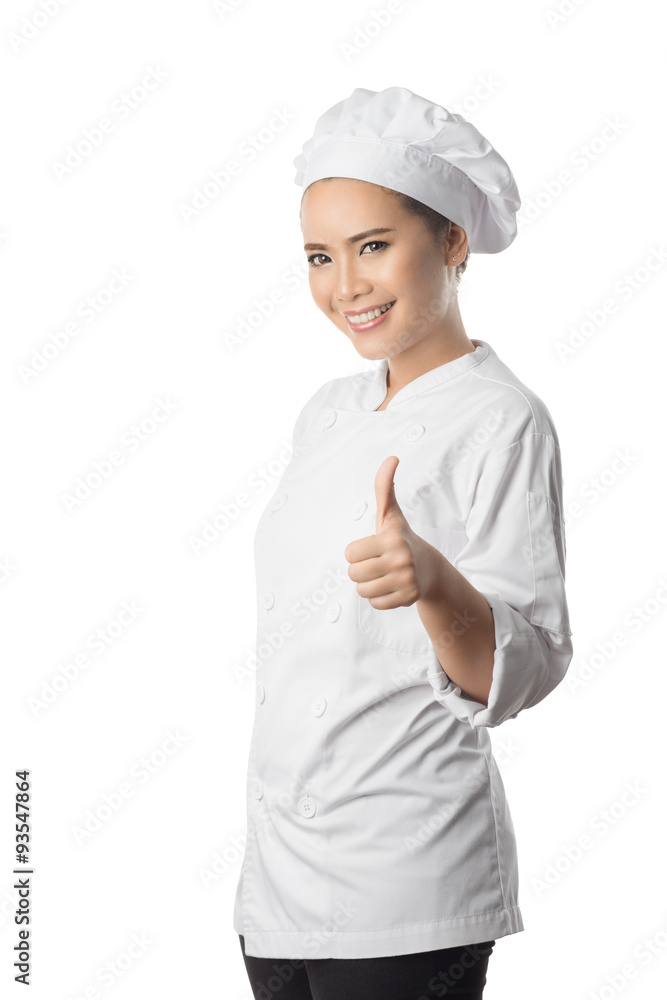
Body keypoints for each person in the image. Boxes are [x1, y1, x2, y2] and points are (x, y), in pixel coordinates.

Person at [233, 86, 573, 1000]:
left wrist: (432, 581)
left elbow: (524, 668)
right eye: (320, 256)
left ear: (452, 241)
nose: (344, 285)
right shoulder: (327, 412)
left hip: (405, 873)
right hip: (278, 874)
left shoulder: (502, 418)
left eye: (373, 246)